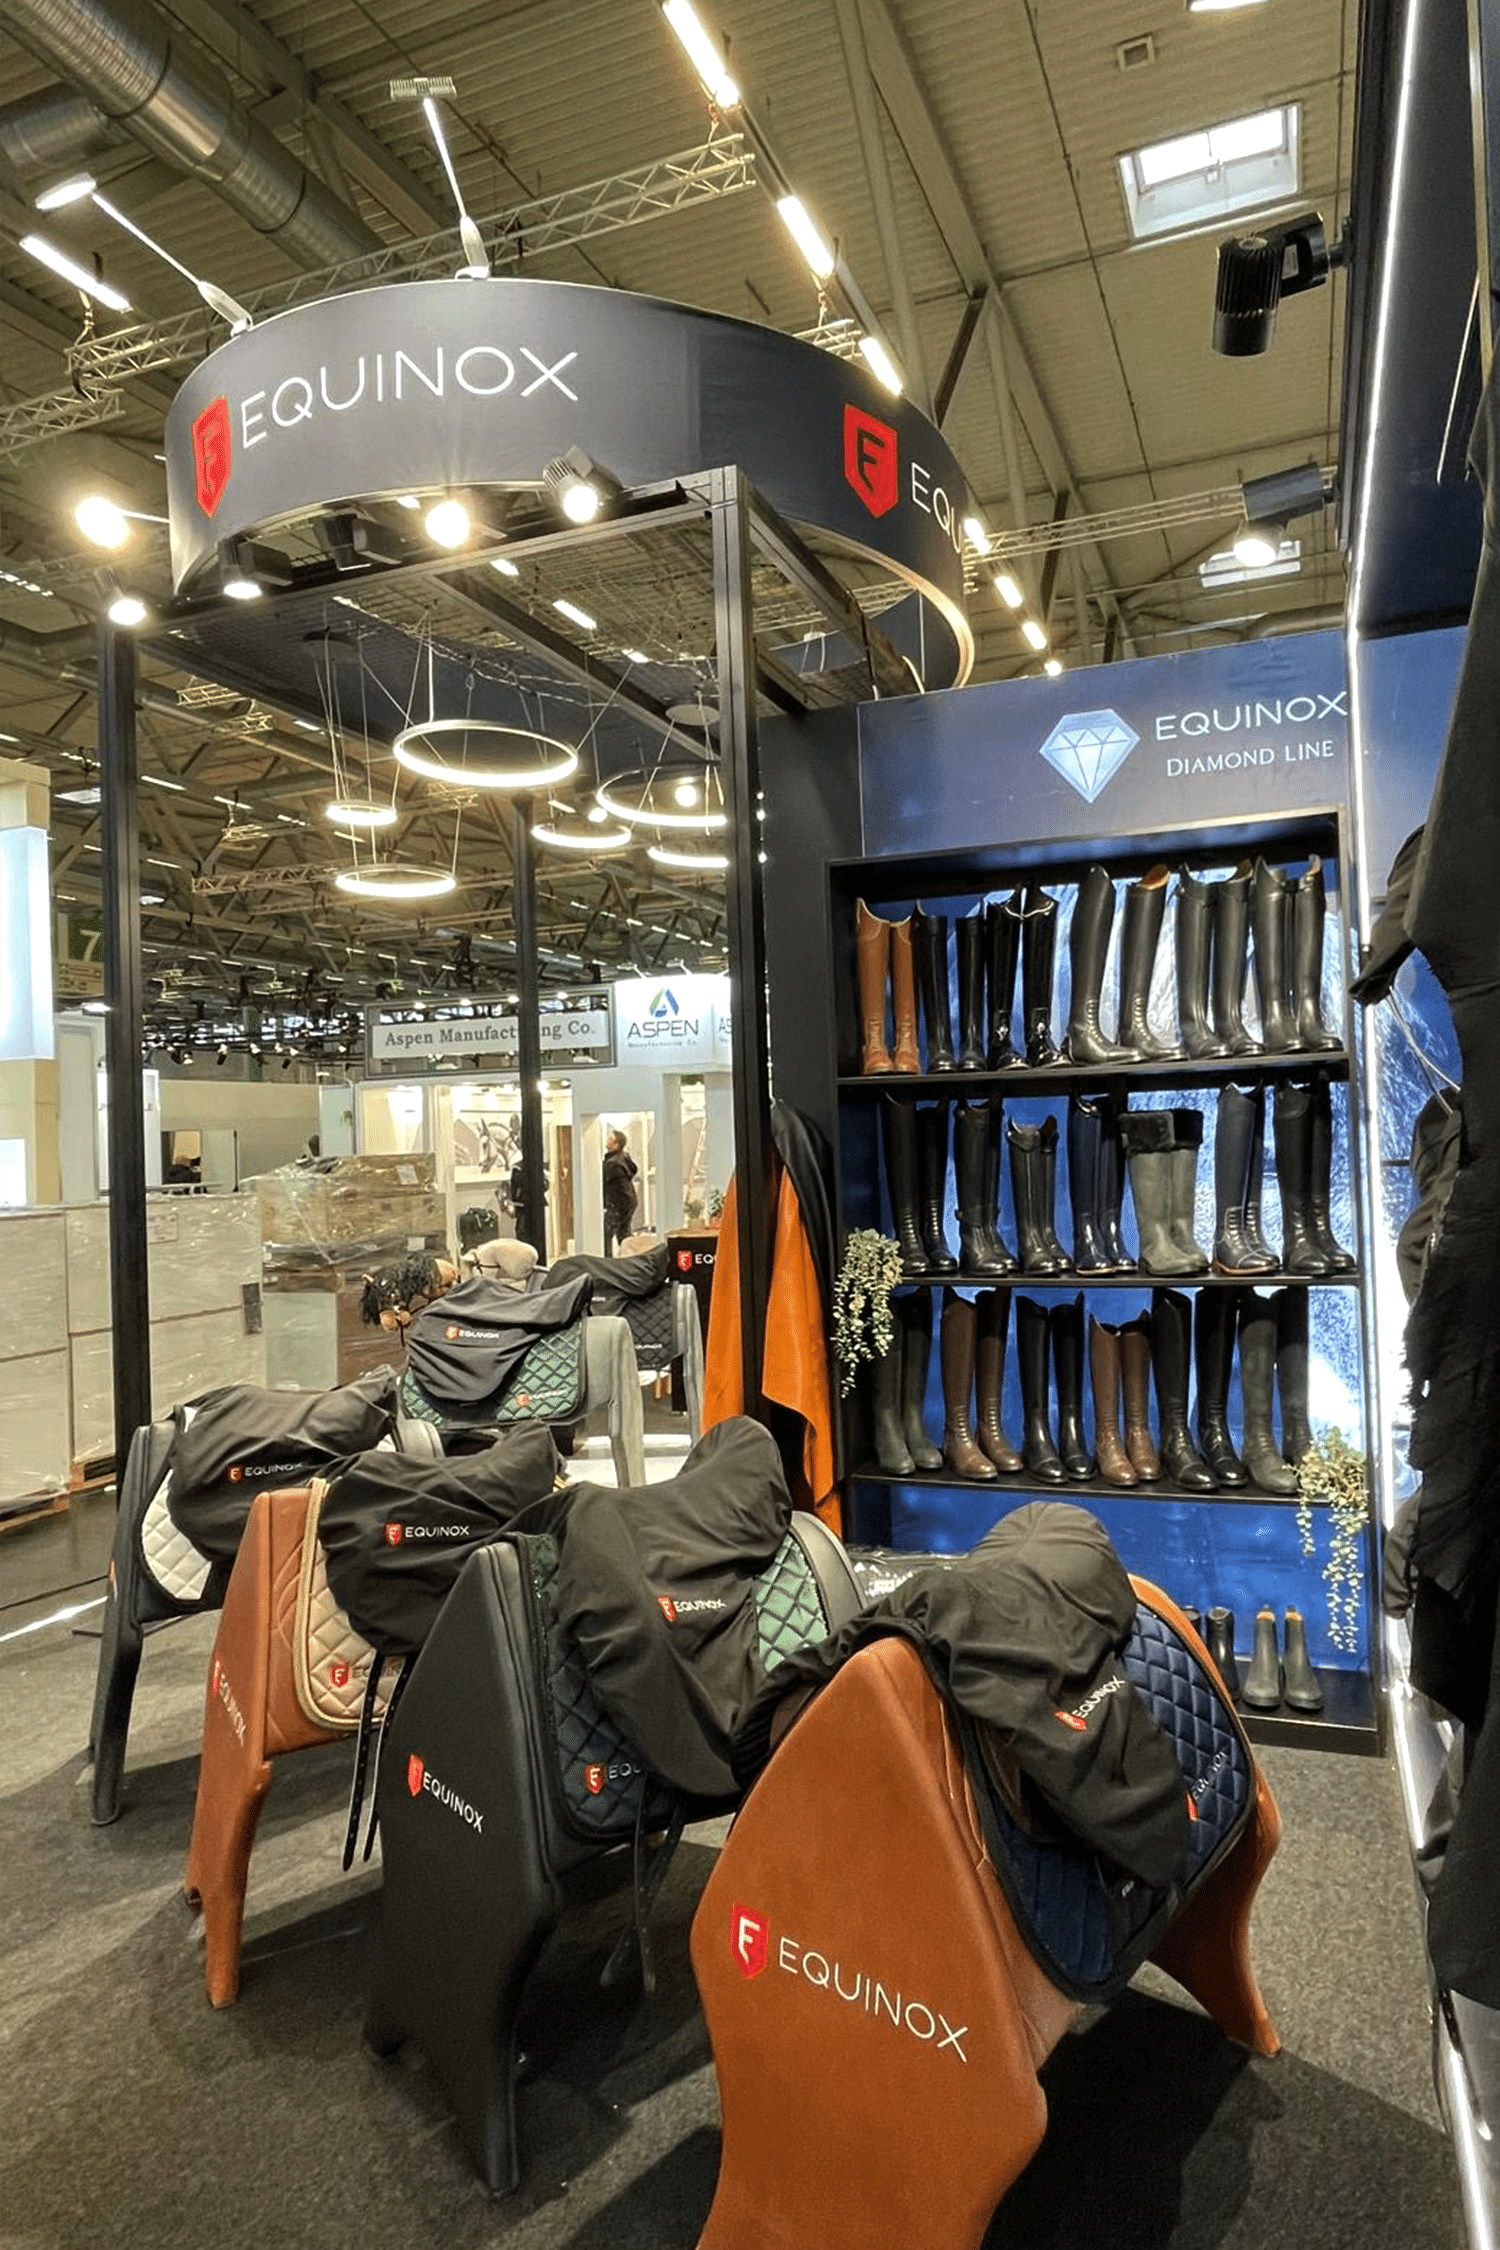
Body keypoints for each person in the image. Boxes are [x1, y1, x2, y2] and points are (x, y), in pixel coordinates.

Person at [602, 1127, 639, 1255]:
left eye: (610, 1139)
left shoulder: (612, 1164)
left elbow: (604, 1184)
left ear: (616, 1145)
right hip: (629, 1200)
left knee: (606, 1234)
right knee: (624, 1233)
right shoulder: (624, 1157)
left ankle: (607, 1261)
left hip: (618, 1203)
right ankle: (628, 1259)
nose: (607, 1140)